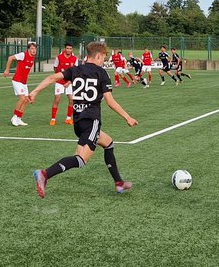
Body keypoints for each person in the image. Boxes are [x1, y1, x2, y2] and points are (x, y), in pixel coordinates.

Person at [29, 41, 139, 197]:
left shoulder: (76, 70)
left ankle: (119, 183)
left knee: (108, 143)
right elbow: (110, 101)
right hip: (91, 120)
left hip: (78, 121)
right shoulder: (101, 73)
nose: (103, 61)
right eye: (103, 58)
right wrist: (127, 117)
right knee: (81, 160)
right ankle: (44, 174)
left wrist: (34, 92)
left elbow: (52, 77)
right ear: (98, 55)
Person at [3, 42, 38, 126]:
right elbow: (10, 58)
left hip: (23, 82)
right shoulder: (23, 55)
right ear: (28, 49)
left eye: (35, 49)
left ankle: (19, 118)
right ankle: (14, 116)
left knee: (26, 100)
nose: (34, 50)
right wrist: (7, 70)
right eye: (32, 48)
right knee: (22, 98)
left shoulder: (33, 57)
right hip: (17, 80)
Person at [50, 43, 79, 126]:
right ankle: (53, 119)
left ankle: (68, 118)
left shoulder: (75, 59)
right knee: (57, 99)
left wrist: (69, 82)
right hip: (59, 82)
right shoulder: (59, 57)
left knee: (71, 100)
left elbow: (76, 72)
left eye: (70, 48)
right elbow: (55, 68)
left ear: (72, 49)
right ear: (65, 49)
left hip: (69, 82)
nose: (68, 50)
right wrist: (59, 77)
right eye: (67, 48)